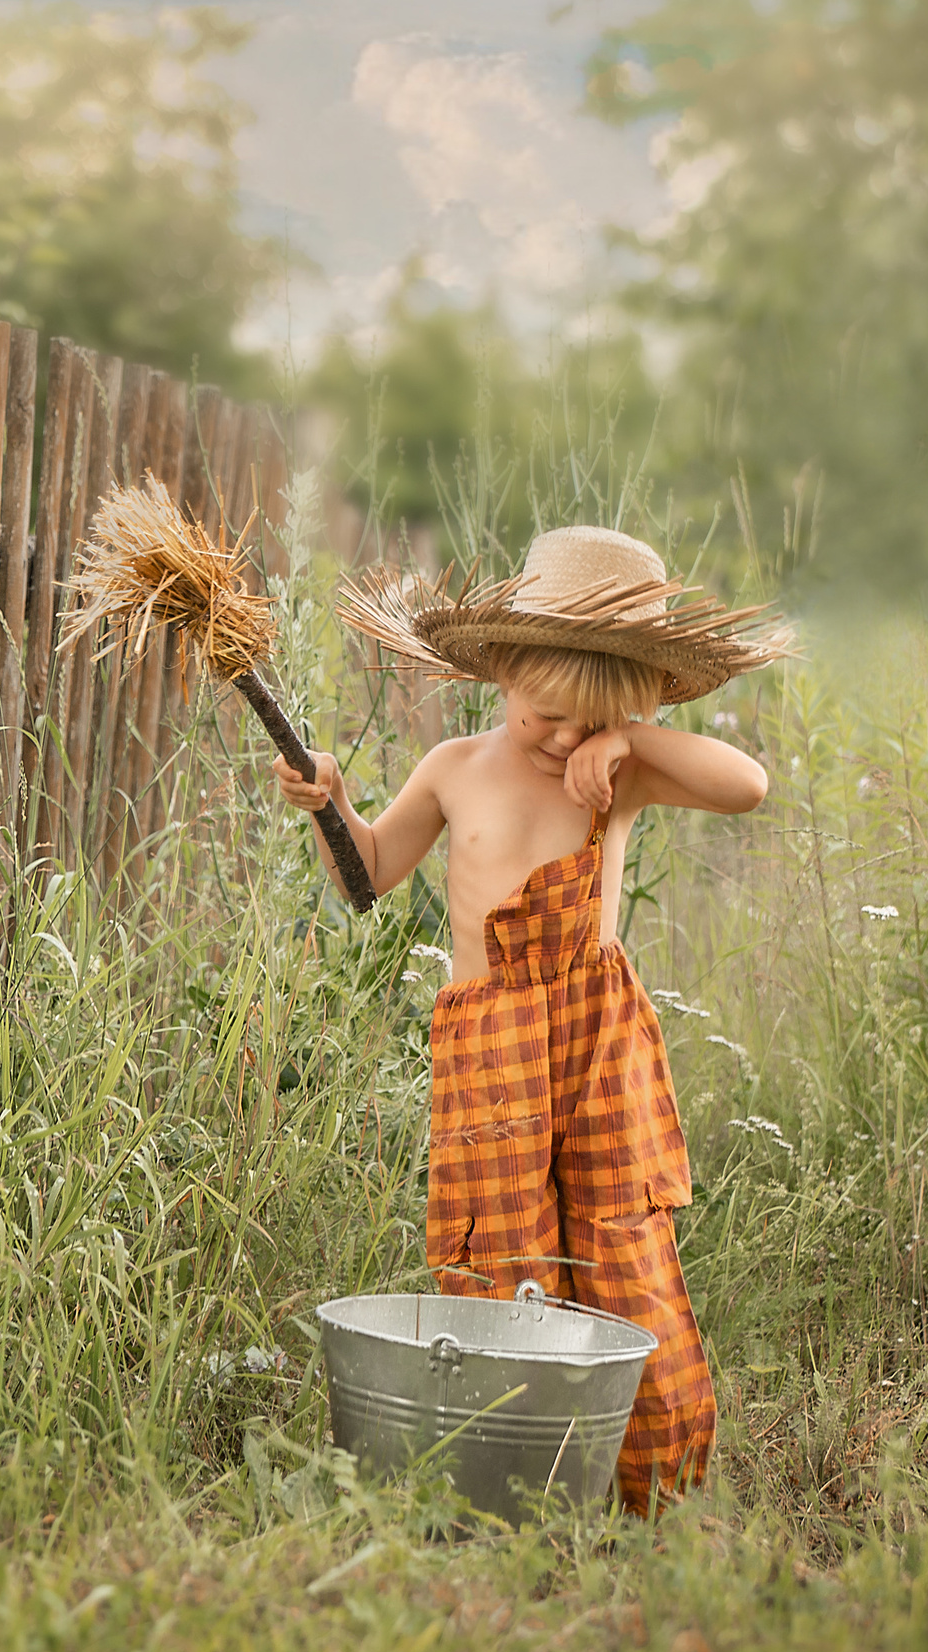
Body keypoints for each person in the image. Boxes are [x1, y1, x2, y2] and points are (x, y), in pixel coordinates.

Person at [274, 524, 788, 1511]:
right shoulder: (455, 768)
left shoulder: (619, 768)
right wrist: (326, 802)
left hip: (596, 1039)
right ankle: (498, 1491)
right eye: (545, 714)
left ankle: (648, 1490)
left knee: (621, 1243)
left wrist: (628, 739)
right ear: (499, 669)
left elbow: (748, 789)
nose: (561, 740)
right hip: (488, 1050)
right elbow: (368, 877)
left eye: (589, 719)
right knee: (495, 1255)